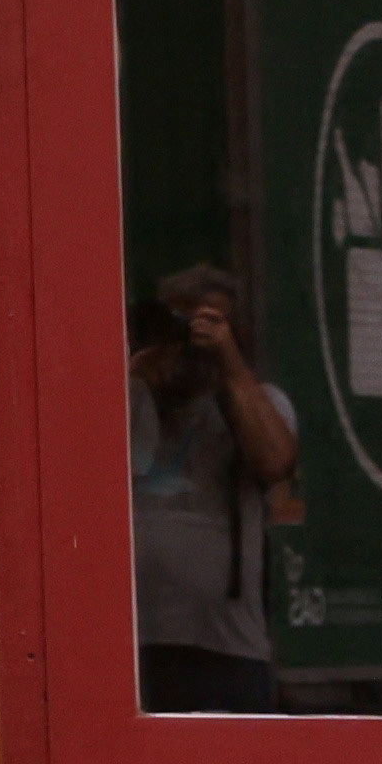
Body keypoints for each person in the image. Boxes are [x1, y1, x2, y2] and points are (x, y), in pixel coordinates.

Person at [132, 259, 300, 710]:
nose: (192, 342)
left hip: (224, 642)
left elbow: (274, 460)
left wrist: (228, 365)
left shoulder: (260, 401)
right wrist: (136, 374)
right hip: (130, 637)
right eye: (183, 324)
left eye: (209, 325)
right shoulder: (134, 392)